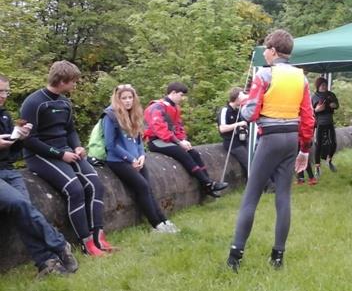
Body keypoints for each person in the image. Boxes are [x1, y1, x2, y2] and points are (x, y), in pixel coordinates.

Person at [227, 29, 315, 271]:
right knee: (283, 197)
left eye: (266, 49)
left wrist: (245, 100)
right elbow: (308, 117)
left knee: (250, 197)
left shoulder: (264, 75)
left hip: (270, 139)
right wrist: (304, 149)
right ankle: (278, 257)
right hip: (291, 140)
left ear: (274, 51)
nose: (264, 53)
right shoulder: (302, 77)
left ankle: (235, 256)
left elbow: (250, 114)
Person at [20, 61, 113, 256]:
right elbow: (28, 140)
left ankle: (99, 236)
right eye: (73, 82)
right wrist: (60, 154)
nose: (75, 85)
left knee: (96, 185)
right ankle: (86, 244)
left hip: (66, 150)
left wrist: (77, 146)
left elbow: (70, 130)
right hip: (40, 155)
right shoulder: (34, 102)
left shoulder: (65, 102)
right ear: (62, 81)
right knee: (75, 189)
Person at [0, 74, 78, 277]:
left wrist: (18, 138)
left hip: (8, 170)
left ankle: (47, 263)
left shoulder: (5, 116)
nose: (4, 96)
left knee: (24, 212)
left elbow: (14, 154)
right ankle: (60, 244)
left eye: (6, 91)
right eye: (0, 91)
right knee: (19, 204)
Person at [104, 84, 178, 234]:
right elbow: (110, 144)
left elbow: (138, 140)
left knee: (148, 188)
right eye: (123, 98)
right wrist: (130, 159)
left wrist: (142, 155)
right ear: (117, 99)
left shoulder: (134, 114)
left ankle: (164, 220)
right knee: (142, 187)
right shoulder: (110, 115)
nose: (127, 101)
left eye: (130, 97)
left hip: (137, 158)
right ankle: (156, 225)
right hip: (118, 160)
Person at [144, 82, 228, 198]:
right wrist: (179, 142)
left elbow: (178, 127)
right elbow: (160, 129)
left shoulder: (174, 108)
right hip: (156, 141)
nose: (182, 98)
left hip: (169, 140)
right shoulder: (157, 107)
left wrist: (183, 140)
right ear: (173, 93)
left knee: (194, 153)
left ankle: (207, 184)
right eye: (181, 95)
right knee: (183, 154)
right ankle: (208, 183)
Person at [217, 87, 249, 180]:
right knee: (249, 162)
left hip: (241, 140)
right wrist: (238, 124)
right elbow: (222, 128)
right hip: (231, 142)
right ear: (237, 98)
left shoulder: (238, 111)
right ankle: (267, 185)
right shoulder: (225, 110)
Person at [311, 77, 339, 175]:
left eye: (325, 85)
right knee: (318, 145)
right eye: (322, 85)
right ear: (318, 86)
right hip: (319, 123)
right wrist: (317, 109)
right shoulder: (314, 96)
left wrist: (333, 105)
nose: (324, 86)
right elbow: (310, 111)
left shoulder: (331, 95)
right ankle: (317, 167)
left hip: (329, 122)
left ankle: (329, 160)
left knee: (334, 143)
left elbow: (337, 105)